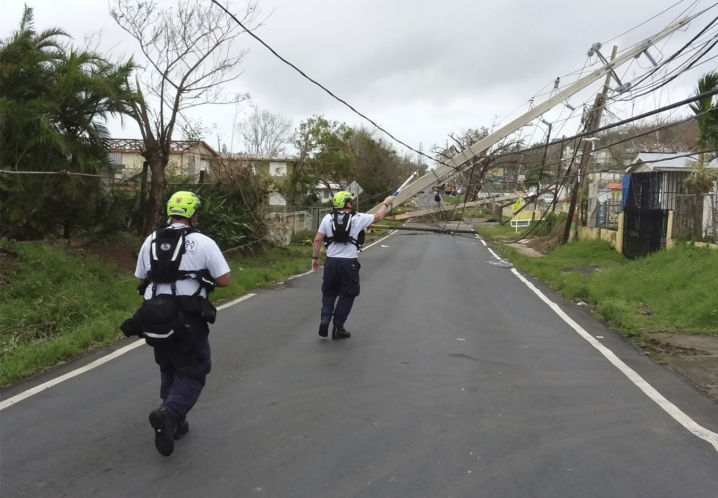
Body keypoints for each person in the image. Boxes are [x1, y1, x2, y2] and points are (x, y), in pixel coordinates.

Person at [131, 191, 230, 456]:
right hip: (187, 318)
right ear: (194, 215)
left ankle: (176, 422)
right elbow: (225, 280)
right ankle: (170, 413)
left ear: (170, 213)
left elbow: (140, 276)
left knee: (169, 366)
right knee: (194, 370)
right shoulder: (203, 242)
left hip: (155, 318)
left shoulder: (150, 240)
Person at [311, 191, 394, 339]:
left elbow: (318, 240)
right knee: (348, 293)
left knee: (329, 292)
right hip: (348, 264)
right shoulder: (358, 218)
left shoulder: (327, 218)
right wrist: (386, 203)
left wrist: (315, 258)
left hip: (331, 263)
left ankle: (325, 319)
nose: (351, 203)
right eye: (350, 201)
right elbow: (379, 216)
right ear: (346, 203)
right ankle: (338, 326)